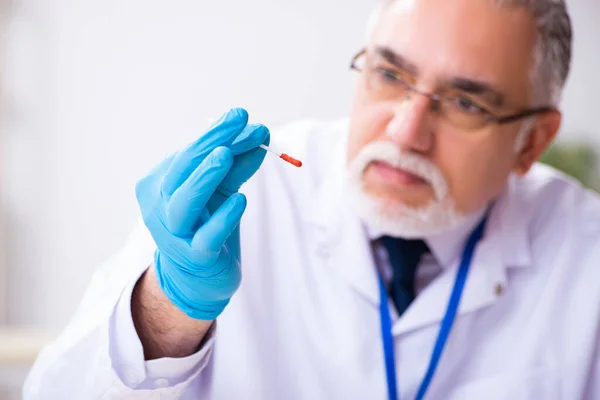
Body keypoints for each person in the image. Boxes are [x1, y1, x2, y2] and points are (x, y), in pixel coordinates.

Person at [23, 0, 600, 398]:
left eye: (466, 104)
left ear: (532, 141)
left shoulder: (585, 255)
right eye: (390, 75)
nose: (404, 133)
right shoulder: (245, 197)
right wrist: (170, 309)